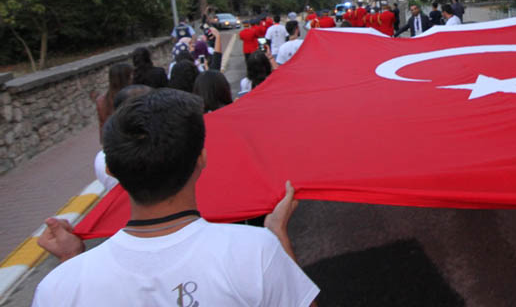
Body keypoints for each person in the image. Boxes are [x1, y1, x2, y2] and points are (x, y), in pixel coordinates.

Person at [34, 89, 319, 306]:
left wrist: (71, 259)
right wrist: (278, 234)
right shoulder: (256, 252)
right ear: (201, 159)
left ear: (110, 170)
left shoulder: (58, 288)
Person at [95, 63, 132, 143]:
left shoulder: (102, 101)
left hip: (113, 143)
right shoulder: (133, 99)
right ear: (127, 78)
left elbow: (103, 126)